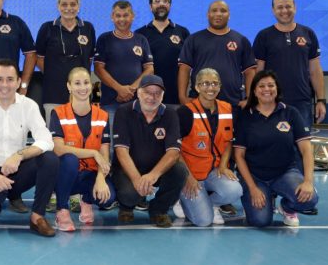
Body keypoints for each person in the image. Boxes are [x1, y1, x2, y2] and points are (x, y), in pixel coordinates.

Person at [0, 59, 59, 237]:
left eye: (10, 79)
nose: (5, 85)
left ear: (18, 82)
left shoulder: (29, 105)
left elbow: (47, 140)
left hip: (17, 170)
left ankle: (37, 216)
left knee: (50, 159)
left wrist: (19, 155)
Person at [233, 70, 318, 227]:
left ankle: (286, 208)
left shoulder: (290, 112)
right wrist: (252, 188)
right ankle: (262, 199)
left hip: (284, 173)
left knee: (310, 199)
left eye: (271, 85)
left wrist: (308, 181)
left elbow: (306, 150)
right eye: (262, 86)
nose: (267, 89)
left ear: (277, 89)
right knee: (260, 221)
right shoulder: (245, 116)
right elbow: (239, 156)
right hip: (255, 176)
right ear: (254, 91)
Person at [111, 74, 188, 228]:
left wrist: (153, 175)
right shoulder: (123, 112)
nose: (152, 97)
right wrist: (137, 180)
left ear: (162, 96)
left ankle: (159, 210)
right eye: (147, 92)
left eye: (157, 93)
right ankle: (127, 206)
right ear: (138, 92)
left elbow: (173, 153)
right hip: (128, 169)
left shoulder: (171, 114)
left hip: (156, 170)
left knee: (180, 171)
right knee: (130, 195)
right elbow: (121, 151)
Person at [174, 68, 242, 226]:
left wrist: (224, 166)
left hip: (213, 171)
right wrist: (188, 177)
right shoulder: (185, 112)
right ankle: (181, 198)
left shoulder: (227, 109)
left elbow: (228, 141)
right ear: (196, 87)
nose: (210, 88)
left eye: (214, 84)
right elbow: (175, 150)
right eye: (205, 83)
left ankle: (211, 203)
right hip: (190, 173)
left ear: (219, 86)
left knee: (235, 190)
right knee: (203, 221)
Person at [50, 67, 114, 231]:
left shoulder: (103, 115)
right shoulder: (58, 113)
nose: (82, 87)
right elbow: (58, 149)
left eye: (86, 82)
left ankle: (87, 201)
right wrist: (93, 153)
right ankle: (62, 210)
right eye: (77, 83)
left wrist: (100, 178)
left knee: (108, 197)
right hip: (64, 177)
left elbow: (105, 153)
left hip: (88, 175)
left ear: (92, 85)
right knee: (70, 158)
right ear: (69, 86)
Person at [253, 0, 327, 126]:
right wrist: (255, 100)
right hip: (271, 102)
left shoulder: (308, 33)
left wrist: (321, 100)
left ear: (295, 7)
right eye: (280, 7)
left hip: (302, 103)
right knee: (273, 146)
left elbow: (315, 71)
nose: (284, 11)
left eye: (288, 6)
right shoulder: (263, 36)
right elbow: (258, 72)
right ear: (273, 10)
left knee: (302, 146)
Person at [178, 0, 256, 108]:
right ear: (208, 14)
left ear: (229, 15)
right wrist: (182, 97)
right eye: (214, 11)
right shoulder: (194, 39)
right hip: (199, 104)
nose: (218, 14)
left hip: (233, 103)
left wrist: (249, 98)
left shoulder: (241, 40)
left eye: (223, 11)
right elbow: (184, 68)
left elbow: (250, 71)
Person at [35, 0, 96, 125]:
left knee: (81, 135)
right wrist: (54, 74)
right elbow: (38, 58)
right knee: (54, 137)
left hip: (81, 94)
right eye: (64, 4)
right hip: (53, 92)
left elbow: (90, 58)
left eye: (73, 4)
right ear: (58, 6)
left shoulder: (88, 28)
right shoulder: (47, 28)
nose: (69, 8)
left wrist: (80, 79)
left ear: (79, 6)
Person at [94, 0, 153, 131]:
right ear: (112, 17)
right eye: (118, 15)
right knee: (110, 146)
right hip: (110, 103)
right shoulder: (104, 39)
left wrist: (131, 89)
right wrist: (119, 89)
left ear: (132, 16)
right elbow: (98, 69)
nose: (122, 19)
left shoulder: (141, 39)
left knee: (137, 143)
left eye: (125, 15)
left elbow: (149, 69)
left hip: (138, 104)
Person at [136, 0, 190, 105]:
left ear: (170, 5)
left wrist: (183, 96)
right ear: (150, 7)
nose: (161, 4)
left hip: (176, 98)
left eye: (165, 1)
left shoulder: (183, 32)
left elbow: (187, 66)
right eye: (157, 1)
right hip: (148, 98)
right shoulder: (140, 34)